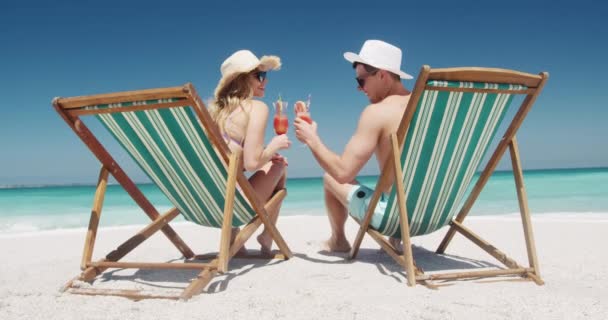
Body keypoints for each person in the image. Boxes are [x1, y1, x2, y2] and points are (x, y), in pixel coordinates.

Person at [294, 40, 413, 252]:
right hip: (440, 214)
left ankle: (338, 241)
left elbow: (341, 172)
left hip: (396, 217)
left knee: (329, 177)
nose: (359, 88)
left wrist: (312, 139)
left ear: (383, 75)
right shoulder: (432, 105)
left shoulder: (378, 113)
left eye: (361, 81)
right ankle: (393, 238)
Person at [209, 49, 291, 256]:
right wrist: (274, 145)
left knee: (260, 166)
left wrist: (265, 155)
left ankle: (233, 238)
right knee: (280, 165)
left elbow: (230, 162)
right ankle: (267, 234)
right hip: (232, 208)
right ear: (241, 80)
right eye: (259, 76)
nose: (264, 81)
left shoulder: (215, 114)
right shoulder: (256, 108)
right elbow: (253, 163)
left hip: (205, 203)